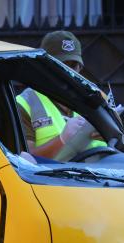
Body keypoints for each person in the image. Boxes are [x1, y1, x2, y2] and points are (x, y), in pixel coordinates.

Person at [16, 30, 107, 159]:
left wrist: (108, 135)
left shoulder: (95, 99)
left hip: (98, 177)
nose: (68, 72)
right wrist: (62, 140)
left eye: (73, 65)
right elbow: (25, 161)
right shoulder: (25, 103)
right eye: (62, 65)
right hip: (49, 179)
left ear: (80, 68)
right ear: (45, 66)